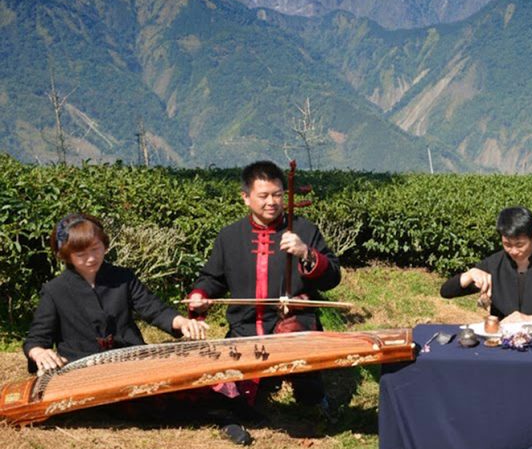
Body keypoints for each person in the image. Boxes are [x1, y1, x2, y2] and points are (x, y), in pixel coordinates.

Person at [187, 160, 341, 409]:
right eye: (264, 196)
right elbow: (212, 278)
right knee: (229, 399)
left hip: (293, 326)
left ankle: (310, 396)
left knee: (302, 369)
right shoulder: (229, 236)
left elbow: (333, 277)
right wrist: (200, 295)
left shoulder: (303, 229)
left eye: (278, 195)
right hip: (244, 326)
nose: (272, 202)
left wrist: (306, 253)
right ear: (246, 198)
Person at [23, 213, 208, 374]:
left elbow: (153, 309)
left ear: (105, 245)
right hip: (80, 367)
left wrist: (182, 322)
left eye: (96, 249)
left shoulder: (123, 277)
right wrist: (38, 352)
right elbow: (37, 338)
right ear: (66, 256)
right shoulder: (55, 290)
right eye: (81, 254)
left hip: (131, 359)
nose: (91, 258)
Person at [440, 206, 532, 327]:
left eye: (520, 245)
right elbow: (446, 292)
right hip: (503, 344)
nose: (513, 251)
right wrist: (469, 274)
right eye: (507, 244)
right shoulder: (494, 265)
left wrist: (530, 320)